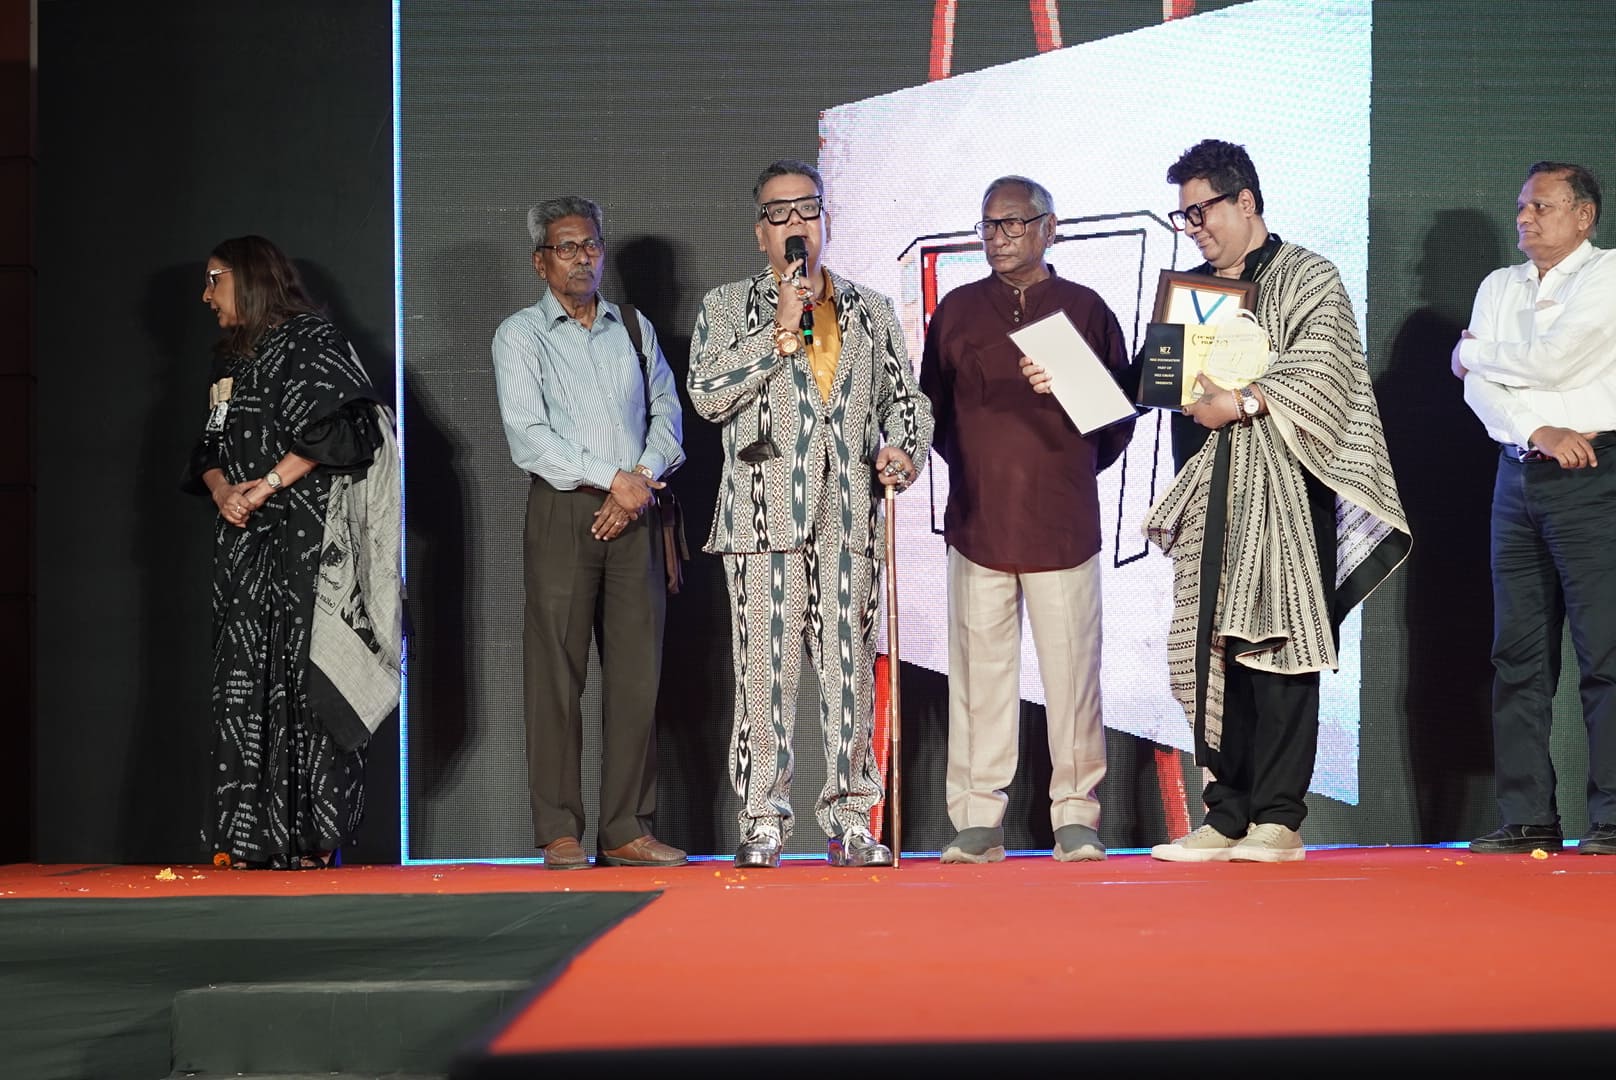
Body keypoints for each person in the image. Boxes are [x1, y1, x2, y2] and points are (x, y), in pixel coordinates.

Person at [1142, 140, 1410, 863]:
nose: (1194, 226)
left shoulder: (1308, 275)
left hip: (1289, 489)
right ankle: (1225, 814)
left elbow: (1325, 367)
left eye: (1202, 210)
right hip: (1208, 492)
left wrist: (1245, 400)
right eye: (1184, 215)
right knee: (1214, 650)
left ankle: (1279, 818)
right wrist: (1081, 382)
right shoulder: (1194, 293)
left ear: (1246, 202)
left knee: (1279, 645)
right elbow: (1157, 379)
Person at [688, 158, 934, 868]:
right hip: (763, 518)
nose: (795, 223)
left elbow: (906, 401)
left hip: (848, 517)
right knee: (764, 676)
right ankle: (762, 819)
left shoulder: (869, 309)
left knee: (847, 670)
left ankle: (852, 819)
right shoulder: (727, 307)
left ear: (825, 218)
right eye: (779, 213)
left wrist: (902, 447)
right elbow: (706, 394)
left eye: (807, 208)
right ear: (759, 231)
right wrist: (778, 330)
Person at [919, 176, 1135, 864]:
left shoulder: (1086, 309)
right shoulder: (957, 310)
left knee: (1073, 679)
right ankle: (977, 820)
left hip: (1062, 520)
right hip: (978, 519)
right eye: (989, 225)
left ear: (1050, 227)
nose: (999, 237)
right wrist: (981, 469)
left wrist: (1065, 445)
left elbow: (1117, 420)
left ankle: (1075, 816)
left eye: (1013, 224)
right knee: (978, 678)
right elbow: (932, 414)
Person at [185, 235, 401, 871]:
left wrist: (267, 485)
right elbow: (208, 450)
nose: (206, 295)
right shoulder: (230, 361)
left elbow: (344, 432)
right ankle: (250, 839)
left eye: (215, 279)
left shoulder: (311, 341)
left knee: (310, 684)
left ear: (249, 277)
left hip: (308, 543)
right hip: (243, 546)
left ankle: (312, 840)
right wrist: (224, 491)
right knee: (244, 683)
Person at [491, 196, 688, 870]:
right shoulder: (521, 334)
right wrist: (613, 480)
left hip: (637, 511)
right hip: (565, 511)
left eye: (591, 245)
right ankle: (559, 829)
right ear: (540, 261)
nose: (582, 258)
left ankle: (626, 828)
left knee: (637, 675)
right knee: (556, 673)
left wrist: (639, 480)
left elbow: (667, 411)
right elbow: (528, 436)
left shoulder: (631, 325)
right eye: (567, 247)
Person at [1452, 161, 1616, 856]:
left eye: (1542, 207)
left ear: (1583, 215)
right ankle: (1527, 815)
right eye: (1522, 205)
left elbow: (1555, 363)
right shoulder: (1499, 285)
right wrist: (1536, 430)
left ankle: (1612, 816)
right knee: (1517, 653)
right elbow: (1478, 392)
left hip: (1594, 474)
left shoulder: (1608, 275)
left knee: (1604, 649)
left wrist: (1472, 353)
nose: (1524, 217)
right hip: (1517, 475)